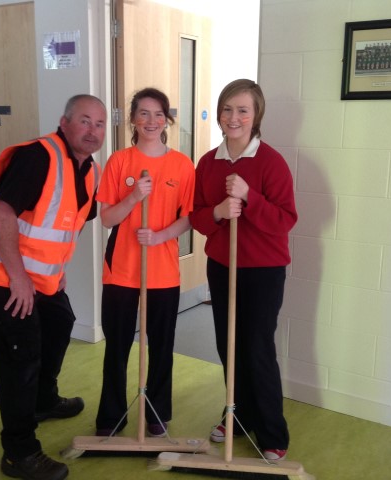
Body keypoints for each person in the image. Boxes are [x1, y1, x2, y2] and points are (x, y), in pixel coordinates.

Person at [0, 94, 107, 480]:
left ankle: (43, 400)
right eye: (84, 121)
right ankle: (19, 451)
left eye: (100, 124)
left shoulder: (89, 170)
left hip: (38, 276)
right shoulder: (38, 157)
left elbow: (67, 223)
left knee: (60, 322)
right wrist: (19, 278)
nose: (92, 131)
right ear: (64, 122)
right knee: (19, 356)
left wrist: (56, 270)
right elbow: (0, 214)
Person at [189, 79, 297, 461]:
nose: (233, 117)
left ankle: (271, 431)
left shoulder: (271, 162)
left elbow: (285, 220)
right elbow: (197, 217)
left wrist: (250, 196)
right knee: (228, 345)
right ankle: (237, 414)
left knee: (256, 348)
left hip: (263, 271)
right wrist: (219, 212)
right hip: (222, 266)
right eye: (227, 109)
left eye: (242, 110)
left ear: (256, 116)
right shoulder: (207, 162)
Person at [94, 87, 195, 438]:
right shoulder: (119, 161)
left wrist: (160, 236)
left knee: (162, 347)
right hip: (121, 270)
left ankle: (157, 412)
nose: (151, 121)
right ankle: (112, 415)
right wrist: (135, 196)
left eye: (158, 114)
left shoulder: (182, 165)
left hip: (163, 271)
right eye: (143, 113)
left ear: (167, 120)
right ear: (133, 120)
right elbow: (106, 218)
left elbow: (189, 217)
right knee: (117, 346)